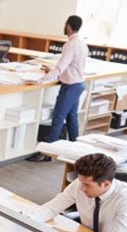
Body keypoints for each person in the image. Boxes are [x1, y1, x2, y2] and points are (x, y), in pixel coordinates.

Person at [29, 153, 127, 232]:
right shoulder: (80, 184)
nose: (81, 188)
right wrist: (29, 220)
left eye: (87, 185)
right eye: (80, 182)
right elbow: (52, 208)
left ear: (106, 184)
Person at [27, 15, 89, 162]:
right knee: (71, 117)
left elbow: (61, 67)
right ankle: (75, 149)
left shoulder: (70, 45)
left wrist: (40, 81)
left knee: (58, 118)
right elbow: (69, 66)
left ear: (68, 25)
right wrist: (53, 70)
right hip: (78, 84)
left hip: (70, 87)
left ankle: (47, 153)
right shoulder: (82, 43)